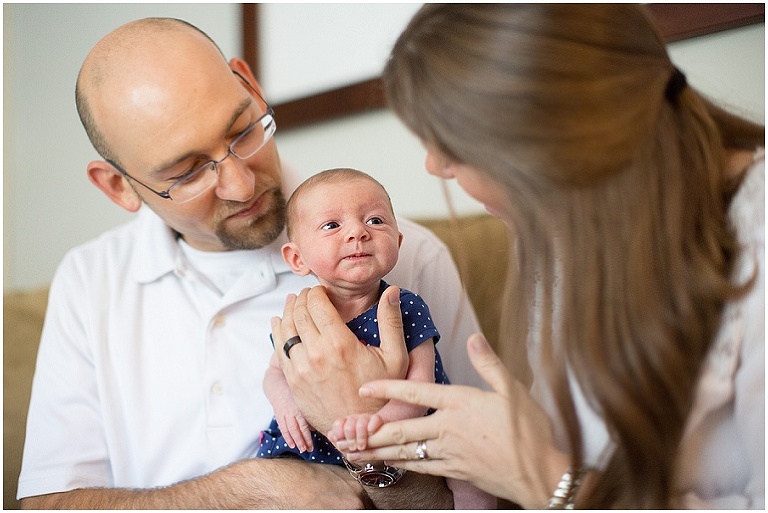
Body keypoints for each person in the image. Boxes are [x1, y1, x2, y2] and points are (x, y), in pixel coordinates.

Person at [17, 17, 483, 509]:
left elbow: (471, 478)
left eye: (242, 132)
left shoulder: (408, 256)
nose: (242, 185)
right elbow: (46, 503)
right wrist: (253, 491)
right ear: (119, 187)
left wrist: (371, 454)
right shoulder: (89, 280)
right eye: (189, 172)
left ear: (252, 87)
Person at [319, 4, 763, 509]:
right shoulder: (562, 243)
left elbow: (550, 474)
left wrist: (541, 477)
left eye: (452, 144)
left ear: (556, 134)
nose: (434, 165)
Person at [257, 168, 495, 509]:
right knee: (276, 480)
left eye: (376, 221)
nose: (358, 232)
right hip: (317, 441)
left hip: (412, 429)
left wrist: (378, 422)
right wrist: (285, 403)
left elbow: (422, 386)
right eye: (332, 225)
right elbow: (275, 371)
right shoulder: (303, 315)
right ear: (297, 258)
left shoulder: (404, 306)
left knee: (473, 466)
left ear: (397, 242)